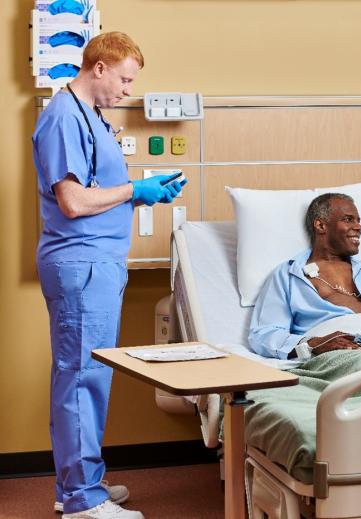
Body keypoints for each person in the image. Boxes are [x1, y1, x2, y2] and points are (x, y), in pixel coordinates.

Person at [33, 32, 184, 519]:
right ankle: (82, 501)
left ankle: (78, 485)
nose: (127, 90)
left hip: (95, 264)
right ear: (98, 68)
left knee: (86, 377)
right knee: (82, 378)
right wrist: (133, 190)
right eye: (124, 79)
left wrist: (141, 191)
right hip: (81, 263)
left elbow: (97, 188)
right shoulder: (62, 117)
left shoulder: (91, 119)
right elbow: (74, 202)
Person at [248, 193, 361, 359]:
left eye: (358, 221)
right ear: (321, 225)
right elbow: (265, 334)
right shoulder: (288, 275)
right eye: (348, 219)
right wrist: (313, 344)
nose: (358, 226)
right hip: (340, 355)